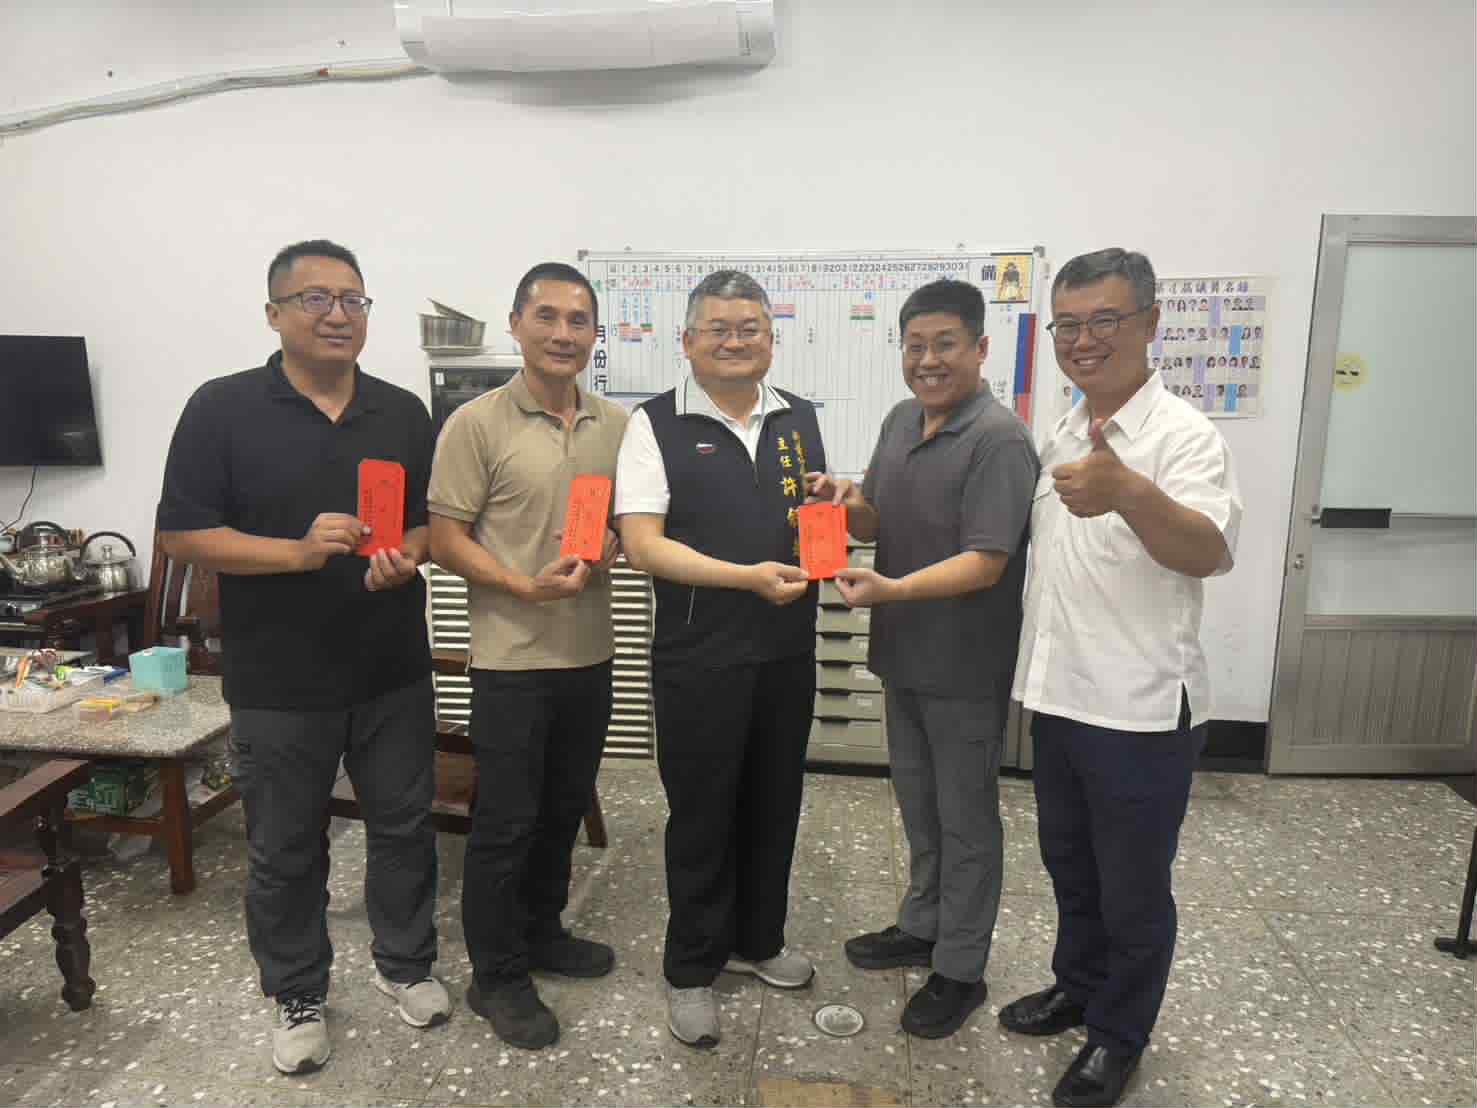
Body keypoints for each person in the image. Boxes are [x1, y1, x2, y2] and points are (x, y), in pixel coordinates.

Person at [156, 239, 450, 1076]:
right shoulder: (221, 407)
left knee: (403, 829)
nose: (337, 314)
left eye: (353, 299)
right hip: (278, 680)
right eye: (315, 298)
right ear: (274, 313)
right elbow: (181, 534)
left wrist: (407, 556)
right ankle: (296, 990)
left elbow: (425, 523)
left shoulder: (401, 411)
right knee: (286, 848)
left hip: (392, 669)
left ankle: (405, 963)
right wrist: (296, 552)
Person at [1001, 248, 1241, 1108]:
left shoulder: (1182, 437)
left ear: (1148, 323)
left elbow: (1207, 552)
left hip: (1139, 712)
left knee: (1133, 890)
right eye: (1067, 324)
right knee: (1070, 867)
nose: (1083, 340)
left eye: (1104, 320)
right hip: (1059, 697)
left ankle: (1117, 1035)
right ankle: (1078, 985)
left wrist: (1130, 492)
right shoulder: (1062, 430)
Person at [807, 279, 1037, 1039]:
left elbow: (986, 561)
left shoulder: (999, 439)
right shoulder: (901, 419)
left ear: (979, 348)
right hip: (901, 654)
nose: (928, 360)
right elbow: (876, 519)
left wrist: (894, 589)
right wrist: (844, 501)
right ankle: (923, 924)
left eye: (945, 344)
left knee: (966, 820)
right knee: (919, 806)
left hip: (965, 666)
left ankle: (961, 968)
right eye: (915, 346)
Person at [615, 270, 825, 1049]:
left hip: (786, 650)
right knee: (702, 813)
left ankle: (758, 940)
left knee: (774, 801)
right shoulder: (654, 424)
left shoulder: (798, 416)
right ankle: (691, 967)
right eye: (719, 329)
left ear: (771, 337)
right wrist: (744, 577)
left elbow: (810, 520)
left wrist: (832, 510)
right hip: (698, 655)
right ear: (687, 341)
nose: (736, 342)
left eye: (750, 329)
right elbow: (642, 545)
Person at [427, 262, 628, 1050]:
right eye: (546, 316)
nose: (562, 333)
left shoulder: (617, 425)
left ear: (594, 334)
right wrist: (519, 584)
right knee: (505, 823)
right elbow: (445, 538)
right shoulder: (475, 424)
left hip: (590, 651)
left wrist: (616, 543)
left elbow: (629, 526)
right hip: (510, 658)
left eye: (578, 320)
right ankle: (496, 973)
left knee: (561, 808)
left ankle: (542, 931)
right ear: (516, 325)